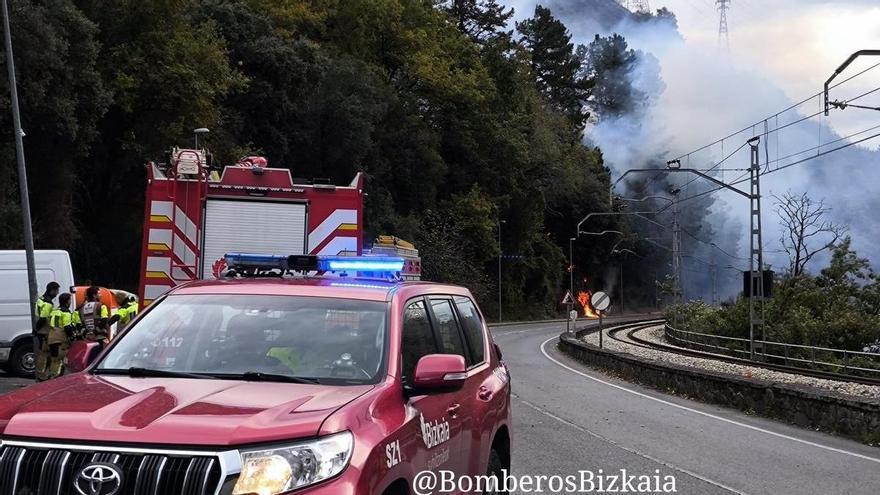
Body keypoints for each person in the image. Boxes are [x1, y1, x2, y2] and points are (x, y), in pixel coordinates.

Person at [46, 293, 80, 379]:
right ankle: (58, 379)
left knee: (54, 360)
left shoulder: (54, 311)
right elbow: (67, 326)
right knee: (63, 360)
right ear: (67, 301)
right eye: (70, 300)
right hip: (60, 339)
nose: (70, 302)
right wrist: (73, 337)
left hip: (51, 339)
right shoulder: (65, 312)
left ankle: (52, 377)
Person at [34, 281, 60, 382]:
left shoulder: (41, 299)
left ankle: (41, 374)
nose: (57, 293)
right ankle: (42, 375)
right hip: (45, 331)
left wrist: (35, 329)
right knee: (45, 354)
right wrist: (37, 329)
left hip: (41, 330)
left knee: (43, 353)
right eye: (56, 291)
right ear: (52, 290)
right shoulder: (48, 303)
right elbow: (43, 318)